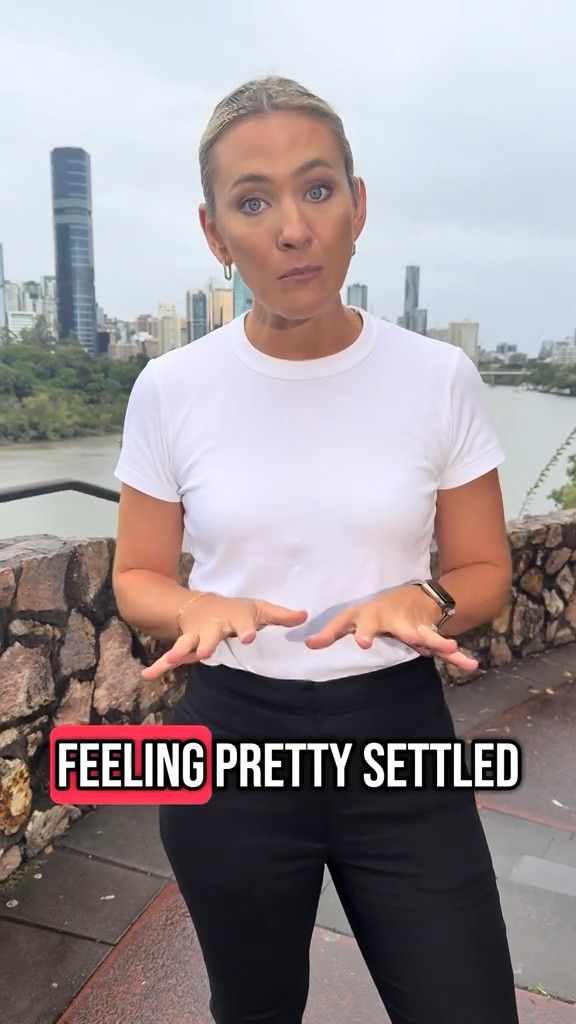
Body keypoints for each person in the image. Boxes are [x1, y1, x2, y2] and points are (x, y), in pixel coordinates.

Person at [112, 76, 519, 1024]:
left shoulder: (438, 377)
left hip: (400, 740)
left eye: (318, 189)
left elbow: (484, 571)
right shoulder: (171, 388)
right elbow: (137, 577)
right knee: (254, 1008)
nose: (293, 229)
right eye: (253, 202)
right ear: (215, 233)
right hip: (232, 750)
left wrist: (425, 600)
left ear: (358, 205)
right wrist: (196, 606)